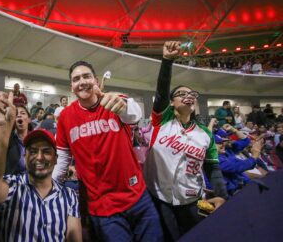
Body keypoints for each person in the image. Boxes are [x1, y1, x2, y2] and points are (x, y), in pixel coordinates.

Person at [53, 60, 163, 241]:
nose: (82, 81)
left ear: (96, 80)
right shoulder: (65, 117)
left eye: (86, 76)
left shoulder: (114, 100)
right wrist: (49, 189)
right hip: (102, 208)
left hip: (137, 198)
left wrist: (123, 106)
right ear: (72, 87)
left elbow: (134, 114)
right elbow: (63, 158)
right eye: (76, 79)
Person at [143, 41, 228, 240]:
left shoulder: (205, 134)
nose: (188, 96)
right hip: (159, 199)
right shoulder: (161, 121)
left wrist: (221, 195)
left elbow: (212, 168)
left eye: (191, 94)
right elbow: (161, 92)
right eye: (181, 94)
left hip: (194, 201)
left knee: (203, 234)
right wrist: (167, 61)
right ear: (172, 103)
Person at [0, 91, 82, 242]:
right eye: (33, 151)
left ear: (56, 159)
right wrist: (3, 124)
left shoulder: (69, 196)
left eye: (46, 151)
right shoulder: (13, 186)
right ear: (24, 156)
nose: (39, 157)